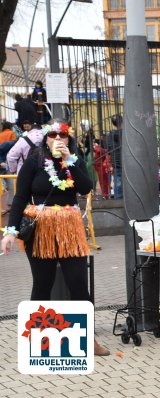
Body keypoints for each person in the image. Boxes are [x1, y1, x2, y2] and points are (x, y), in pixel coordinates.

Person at [1, 120, 110, 356]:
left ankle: (88, 340)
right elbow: (20, 198)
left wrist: (70, 160)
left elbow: (85, 188)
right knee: (43, 283)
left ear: (68, 138)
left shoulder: (74, 160)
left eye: (63, 135)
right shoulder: (34, 160)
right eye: (53, 134)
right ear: (45, 137)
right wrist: (10, 233)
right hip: (41, 229)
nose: (58, 138)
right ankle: (38, 341)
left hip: (70, 228)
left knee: (78, 283)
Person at [105, 114, 123, 199]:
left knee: (117, 181)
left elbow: (108, 148)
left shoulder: (109, 135)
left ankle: (118, 199)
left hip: (115, 160)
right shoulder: (126, 134)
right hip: (126, 160)